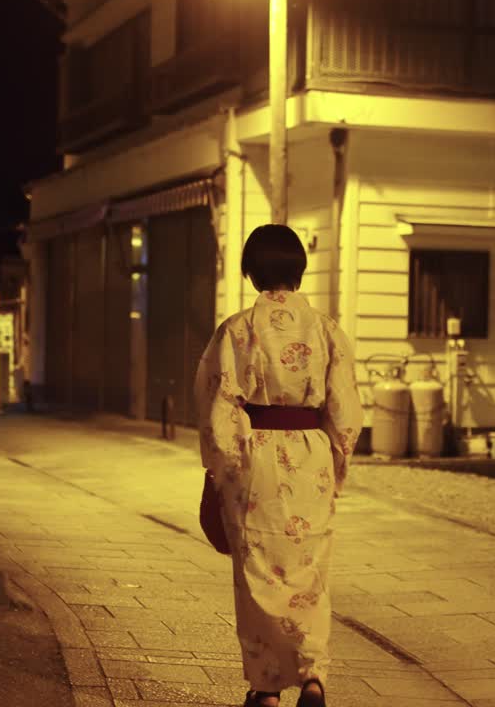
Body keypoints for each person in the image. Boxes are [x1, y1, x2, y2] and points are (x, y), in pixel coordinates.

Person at [194, 224, 364, 707]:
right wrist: (336, 461)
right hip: (310, 452)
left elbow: (218, 403)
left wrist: (223, 467)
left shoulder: (238, 330)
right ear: (299, 270)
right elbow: (346, 411)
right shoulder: (327, 330)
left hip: (257, 454)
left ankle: (266, 687)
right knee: (310, 570)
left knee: (258, 570)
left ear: (249, 272)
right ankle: (312, 676)